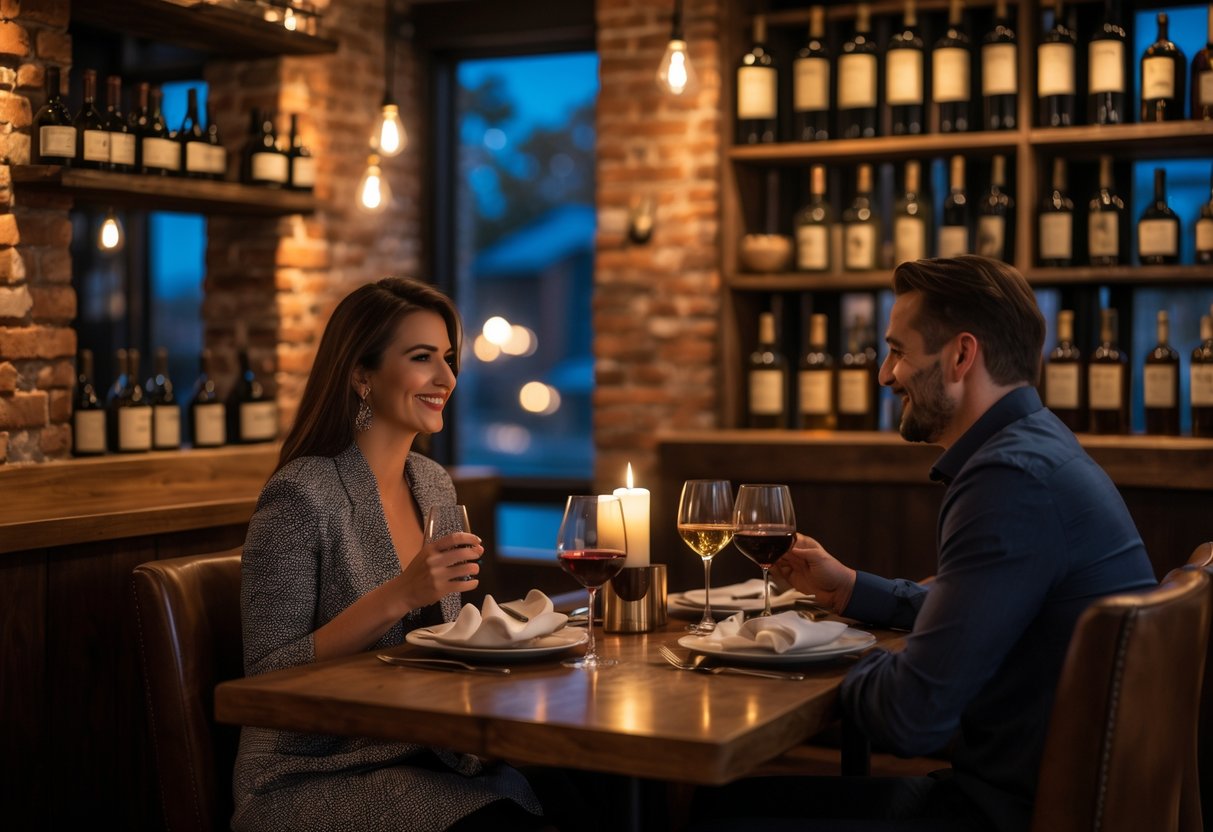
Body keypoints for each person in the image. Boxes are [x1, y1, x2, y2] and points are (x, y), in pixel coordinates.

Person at [695, 256, 1156, 832]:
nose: (885, 375)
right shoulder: (1039, 446)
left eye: (898, 351)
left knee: (719, 813)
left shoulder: (1008, 479)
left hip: (1004, 814)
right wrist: (851, 592)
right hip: (1036, 798)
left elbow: (910, 718)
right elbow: (987, 613)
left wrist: (835, 654)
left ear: (961, 356)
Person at [232, 277, 556, 832]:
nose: (446, 379)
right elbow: (264, 675)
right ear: (362, 375)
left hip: (427, 752)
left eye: (448, 359)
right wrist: (400, 595)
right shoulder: (302, 494)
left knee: (582, 791)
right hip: (314, 774)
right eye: (422, 358)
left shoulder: (432, 483)